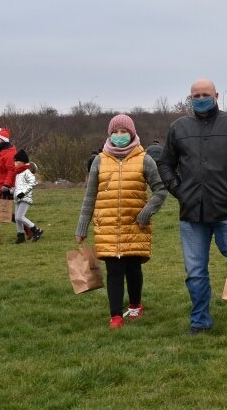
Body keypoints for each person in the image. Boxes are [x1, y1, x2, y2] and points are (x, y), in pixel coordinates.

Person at [157, 79, 227, 334]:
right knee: (195, 271)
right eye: (196, 95)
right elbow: (165, 163)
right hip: (192, 212)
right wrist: (177, 189)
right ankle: (200, 320)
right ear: (190, 98)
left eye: (205, 94)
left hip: (226, 209)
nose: (200, 98)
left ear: (216, 95)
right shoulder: (178, 128)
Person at [75, 114, 168, 329]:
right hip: (107, 227)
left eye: (123, 132)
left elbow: (161, 190)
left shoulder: (144, 159)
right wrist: (82, 227)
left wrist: (146, 213)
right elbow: (90, 196)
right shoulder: (99, 160)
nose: (119, 136)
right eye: (115, 132)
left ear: (132, 133)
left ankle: (135, 305)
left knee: (133, 270)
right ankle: (115, 315)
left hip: (135, 226)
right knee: (114, 272)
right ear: (109, 134)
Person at [12, 149, 43, 244]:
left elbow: (32, 183)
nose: (15, 163)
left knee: (20, 217)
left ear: (23, 162)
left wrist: (23, 193)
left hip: (25, 197)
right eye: (15, 161)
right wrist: (11, 191)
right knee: (17, 218)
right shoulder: (18, 173)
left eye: (18, 161)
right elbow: (18, 186)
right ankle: (20, 235)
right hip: (18, 198)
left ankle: (36, 230)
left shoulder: (27, 172)